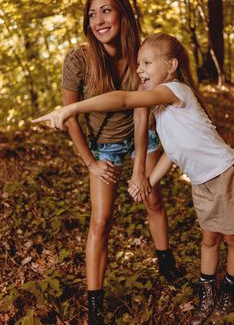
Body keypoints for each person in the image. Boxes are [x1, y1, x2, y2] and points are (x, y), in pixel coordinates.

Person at [33, 32, 234, 325]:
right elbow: (173, 154)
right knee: (209, 238)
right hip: (201, 181)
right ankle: (208, 291)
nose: (140, 69)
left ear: (172, 65)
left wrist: (72, 108)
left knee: (230, 237)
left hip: (224, 172)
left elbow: (125, 99)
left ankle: (228, 288)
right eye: (138, 63)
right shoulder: (163, 111)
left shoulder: (175, 91)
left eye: (147, 62)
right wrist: (148, 181)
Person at [36, 0, 182, 325]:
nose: (99, 20)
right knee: (100, 222)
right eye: (92, 14)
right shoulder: (78, 59)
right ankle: (95, 306)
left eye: (106, 11)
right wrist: (91, 162)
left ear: (122, 14)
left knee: (153, 201)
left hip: (141, 136)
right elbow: (70, 114)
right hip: (105, 147)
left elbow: (142, 110)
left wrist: (140, 169)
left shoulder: (141, 53)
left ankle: (167, 266)